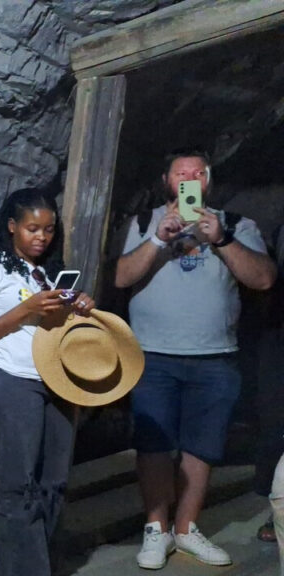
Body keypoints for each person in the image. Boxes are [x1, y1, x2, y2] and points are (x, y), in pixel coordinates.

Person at [114, 148, 277, 570]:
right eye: (180, 173)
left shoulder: (238, 224)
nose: (189, 179)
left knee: (201, 448)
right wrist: (157, 239)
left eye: (197, 173)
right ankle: (156, 529)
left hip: (215, 357)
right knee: (153, 445)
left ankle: (185, 529)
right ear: (168, 181)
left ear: (208, 180)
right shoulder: (145, 222)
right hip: (151, 353)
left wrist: (220, 238)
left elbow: (262, 279)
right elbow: (121, 277)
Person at [0, 188, 96, 576]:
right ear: (12, 227)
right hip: (7, 382)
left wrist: (81, 307)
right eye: (32, 228)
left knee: (53, 483)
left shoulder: (49, 273)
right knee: (17, 487)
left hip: (55, 383)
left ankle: (35, 566)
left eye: (49, 229)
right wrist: (26, 309)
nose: (41, 237)